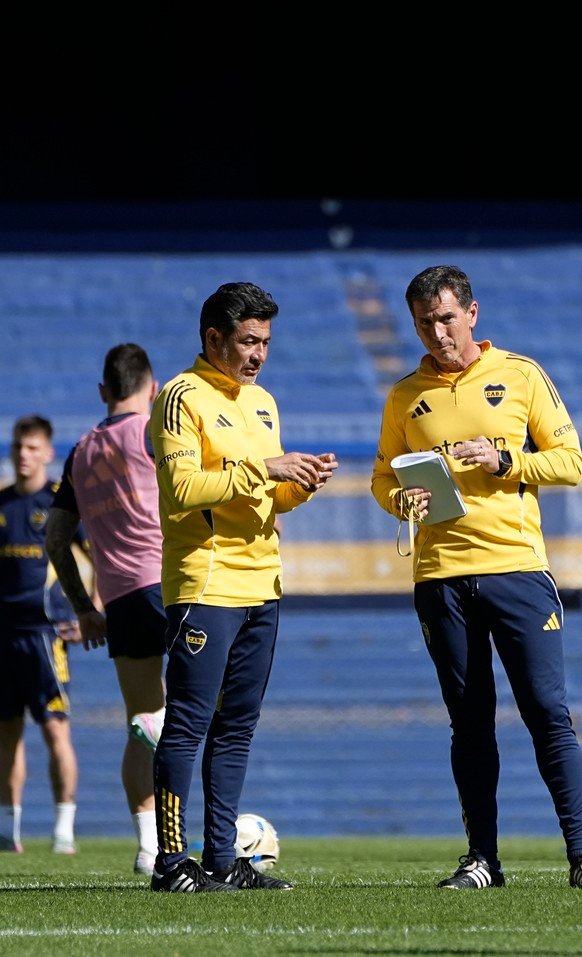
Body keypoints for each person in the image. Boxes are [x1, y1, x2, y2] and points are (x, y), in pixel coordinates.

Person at [370, 264, 582, 891]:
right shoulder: (404, 396)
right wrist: (401, 501)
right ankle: (482, 859)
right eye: (424, 323)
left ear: (472, 314)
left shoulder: (522, 375)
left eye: (446, 319)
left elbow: (569, 461)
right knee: (469, 721)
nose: (437, 333)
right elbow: (382, 477)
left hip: (516, 570)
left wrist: (504, 459)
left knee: (546, 710)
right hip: (441, 577)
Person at [148, 281, 338, 893]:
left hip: (262, 584)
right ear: (213, 338)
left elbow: (265, 497)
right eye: (249, 341)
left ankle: (222, 858)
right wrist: (265, 468)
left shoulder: (263, 403)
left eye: (266, 343)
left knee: (236, 728)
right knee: (188, 723)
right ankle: (171, 862)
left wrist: (299, 483)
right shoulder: (180, 396)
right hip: (206, 584)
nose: (258, 354)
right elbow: (182, 489)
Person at [45, 343, 167, 877]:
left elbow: (55, 537)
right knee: (203, 708)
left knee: (140, 723)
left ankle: (149, 847)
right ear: (153, 387)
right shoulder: (155, 432)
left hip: (119, 599)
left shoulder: (80, 451)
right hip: (173, 583)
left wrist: (84, 607)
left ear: (103, 392)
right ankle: (213, 835)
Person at [0, 415, 85, 855]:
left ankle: (63, 830)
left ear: (48, 453)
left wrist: (91, 612)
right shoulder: (2, 503)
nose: (24, 455)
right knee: (7, 734)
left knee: (55, 730)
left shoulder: (59, 502)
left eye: (33, 447)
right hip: (4, 637)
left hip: (46, 636)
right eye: (18, 446)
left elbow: (98, 554)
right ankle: (7, 831)